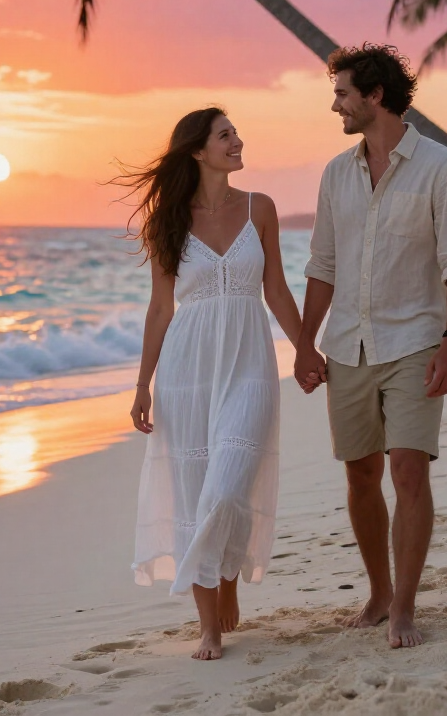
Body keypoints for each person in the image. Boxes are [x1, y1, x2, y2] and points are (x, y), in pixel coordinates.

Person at [294, 45, 447, 649]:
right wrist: (304, 342)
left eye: (343, 94)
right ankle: (377, 592)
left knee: (408, 472)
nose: (335, 105)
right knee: (360, 474)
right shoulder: (334, 174)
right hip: (348, 343)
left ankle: (403, 607)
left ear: (375, 96)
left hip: (415, 342)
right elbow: (322, 265)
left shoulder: (441, 168)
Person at [122, 108, 302, 661]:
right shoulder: (168, 222)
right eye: (226, 135)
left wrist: (307, 348)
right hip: (187, 371)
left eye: (236, 133)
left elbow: (275, 289)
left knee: (228, 487)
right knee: (195, 491)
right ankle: (208, 627)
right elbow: (159, 308)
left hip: (249, 361)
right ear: (198, 151)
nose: (238, 140)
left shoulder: (261, 208)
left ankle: (226, 573)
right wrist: (142, 384)